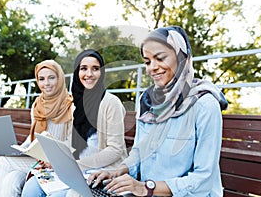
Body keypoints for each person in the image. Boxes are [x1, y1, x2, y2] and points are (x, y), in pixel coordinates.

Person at [88, 26, 228, 196]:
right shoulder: (147, 101)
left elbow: (203, 180)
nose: (151, 68)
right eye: (147, 61)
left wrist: (145, 187)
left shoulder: (205, 105)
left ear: (182, 57)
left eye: (160, 58)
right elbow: (139, 152)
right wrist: (118, 171)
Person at [21, 49, 128, 197]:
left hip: (99, 172)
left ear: (101, 72)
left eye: (95, 69)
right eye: (84, 68)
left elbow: (115, 150)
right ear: (77, 72)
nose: (89, 74)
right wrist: (55, 159)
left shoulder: (111, 102)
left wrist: (77, 165)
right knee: (30, 189)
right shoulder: (75, 103)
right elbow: (70, 142)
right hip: (72, 169)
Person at [0, 60, 73, 197]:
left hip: (59, 163)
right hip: (38, 160)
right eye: (41, 79)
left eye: (51, 77)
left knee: (3, 163)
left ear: (60, 78)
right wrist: (21, 149)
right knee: (12, 180)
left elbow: (75, 142)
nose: (46, 83)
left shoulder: (71, 106)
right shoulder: (37, 105)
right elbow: (33, 137)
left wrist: (54, 156)